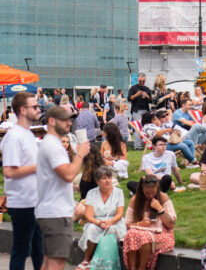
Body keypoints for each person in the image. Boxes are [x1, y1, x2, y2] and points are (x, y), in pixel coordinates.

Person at [35, 106, 90, 270]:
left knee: (48, 260)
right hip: (55, 212)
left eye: (69, 119)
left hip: (50, 210)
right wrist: (80, 154)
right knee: (56, 262)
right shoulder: (52, 145)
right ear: (52, 121)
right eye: (65, 119)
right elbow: (68, 175)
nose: (69, 123)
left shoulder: (51, 144)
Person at [1, 92, 44, 270]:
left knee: (38, 250)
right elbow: (9, 171)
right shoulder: (14, 136)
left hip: (34, 200)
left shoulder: (28, 134)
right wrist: (38, 167)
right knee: (21, 249)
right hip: (22, 202)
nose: (38, 109)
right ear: (23, 110)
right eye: (34, 106)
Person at [77, 166, 127, 270]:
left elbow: (120, 213)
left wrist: (110, 222)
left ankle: (94, 261)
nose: (107, 180)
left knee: (110, 229)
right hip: (96, 221)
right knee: (91, 229)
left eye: (109, 177)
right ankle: (87, 260)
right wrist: (98, 222)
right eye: (104, 178)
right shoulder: (91, 193)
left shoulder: (118, 192)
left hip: (114, 221)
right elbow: (88, 215)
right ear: (97, 181)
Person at [124, 174, 176, 270]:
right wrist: (139, 224)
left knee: (142, 237)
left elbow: (171, 224)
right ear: (141, 189)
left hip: (162, 234)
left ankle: (141, 268)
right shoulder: (135, 200)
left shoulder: (163, 198)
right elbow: (127, 225)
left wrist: (160, 209)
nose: (151, 196)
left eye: (153, 193)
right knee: (131, 234)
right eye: (147, 193)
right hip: (140, 233)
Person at [128, 73, 152, 150]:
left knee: (145, 128)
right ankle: (137, 146)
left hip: (145, 109)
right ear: (138, 79)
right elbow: (129, 98)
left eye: (143, 81)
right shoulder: (133, 88)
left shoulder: (147, 89)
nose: (142, 82)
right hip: (136, 110)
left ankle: (143, 145)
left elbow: (151, 100)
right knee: (137, 128)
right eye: (140, 80)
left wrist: (147, 96)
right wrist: (137, 94)